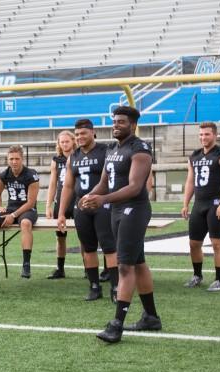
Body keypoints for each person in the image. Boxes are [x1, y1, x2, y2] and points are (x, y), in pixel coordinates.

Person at [80, 106, 161, 343]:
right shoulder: (113, 148)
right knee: (138, 262)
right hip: (117, 210)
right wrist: (88, 196)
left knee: (125, 267)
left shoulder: (140, 148)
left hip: (134, 210)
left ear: (133, 125)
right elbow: (105, 183)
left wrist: (102, 200)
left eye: (121, 122)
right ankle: (151, 317)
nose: (116, 125)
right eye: (114, 121)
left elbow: (136, 187)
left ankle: (117, 325)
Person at [59, 119, 118, 301]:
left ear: (93, 132)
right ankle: (94, 286)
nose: (80, 137)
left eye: (83, 133)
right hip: (81, 207)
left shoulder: (106, 151)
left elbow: (110, 179)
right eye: (77, 134)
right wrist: (61, 212)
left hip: (102, 205)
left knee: (109, 247)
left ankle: (116, 287)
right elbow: (68, 186)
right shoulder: (73, 156)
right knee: (88, 248)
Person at [182, 122, 220, 292]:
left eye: (207, 134)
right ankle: (197, 275)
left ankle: (219, 279)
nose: (203, 137)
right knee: (193, 243)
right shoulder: (194, 156)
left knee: (216, 243)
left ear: (215, 135)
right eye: (201, 134)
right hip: (199, 204)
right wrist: (185, 203)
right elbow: (190, 181)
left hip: (215, 203)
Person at [0, 145, 40, 280]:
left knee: (25, 223)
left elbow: (30, 202)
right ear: (7, 160)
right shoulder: (5, 174)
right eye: (11, 159)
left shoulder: (31, 174)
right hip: (11, 207)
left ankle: (26, 264)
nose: (14, 162)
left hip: (28, 209)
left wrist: (13, 215)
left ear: (22, 159)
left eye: (17, 159)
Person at [45, 131, 75, 279]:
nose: (64, 144)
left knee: (85, 236)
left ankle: (88, 269)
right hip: (61, 202)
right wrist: (48, 205)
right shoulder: (56, 160)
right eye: (61, 142)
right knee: (60, 236)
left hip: (77, 199)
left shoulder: (79, 156)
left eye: (67, 141)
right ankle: (60, 268)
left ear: (73, 141)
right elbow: (52, 184)